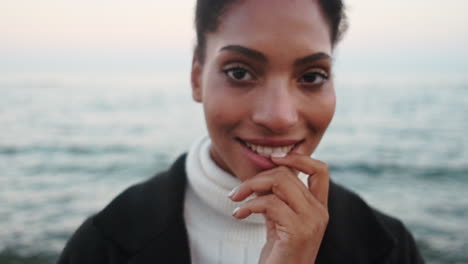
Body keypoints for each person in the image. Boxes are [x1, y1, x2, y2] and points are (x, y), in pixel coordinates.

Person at [58, 0, 425, 263]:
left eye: (312, 77)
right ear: (197, 76)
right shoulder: (105, 243)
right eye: (239, 72)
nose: (279, 117)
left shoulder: (387, 247)